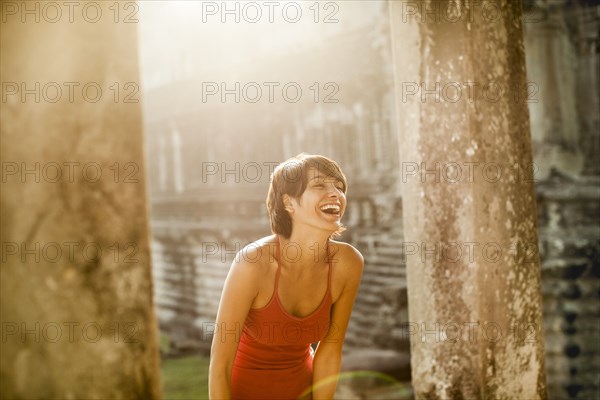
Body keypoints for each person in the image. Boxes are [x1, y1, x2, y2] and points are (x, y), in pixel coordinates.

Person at [208, 153, 364, 399]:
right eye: (319, 185)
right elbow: (220, 365)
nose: (335, 193)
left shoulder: (348, 263)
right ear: (289, 203)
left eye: (339, 186)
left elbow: (330, 350)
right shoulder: (253, 263)